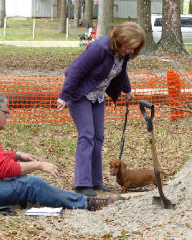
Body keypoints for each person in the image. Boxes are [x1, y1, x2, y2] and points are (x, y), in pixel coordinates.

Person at [0, 93, 117, 212]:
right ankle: (83, 203)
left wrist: (18, 155)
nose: (8, 116)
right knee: (32, 184)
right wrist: (39, 165)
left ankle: (76, 201)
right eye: (7, 112)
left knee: (24, 183)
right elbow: (4, 169)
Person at [57, 22, 146, 197]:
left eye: (133, 48)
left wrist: (127, 89)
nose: (129, 51)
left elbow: (121, 72)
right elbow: (74, 71)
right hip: (79, 94)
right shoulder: (99, 48)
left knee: (98, 137)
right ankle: (82, 183)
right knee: (87, 135)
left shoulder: (123, 54)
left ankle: (95, 181)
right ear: (119, 40)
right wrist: (64, 96)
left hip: (97, 96)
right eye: (128, 47)